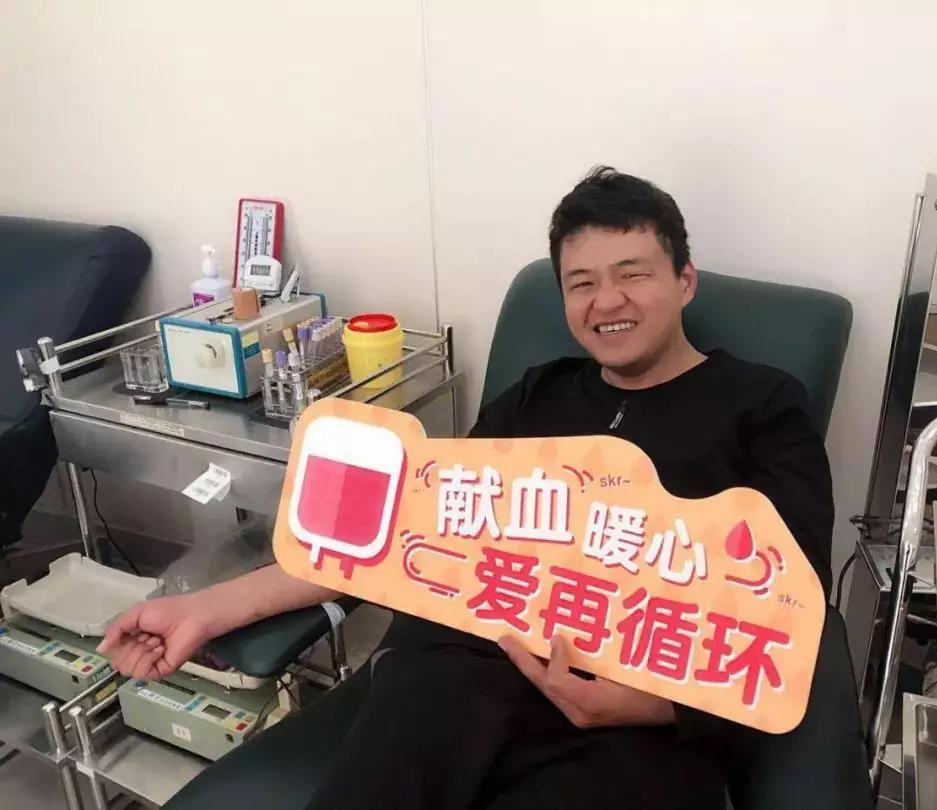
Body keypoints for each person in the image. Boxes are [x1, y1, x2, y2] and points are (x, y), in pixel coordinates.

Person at [100, 167, 872, 809]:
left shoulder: (761, 406)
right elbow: (395, 534)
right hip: (456, 675)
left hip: (634, 713)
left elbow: (787, 600)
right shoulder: (537, 396)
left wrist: (649, 706)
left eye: (633, 274)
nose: (607, 301)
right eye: (582, 282)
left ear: (684, 280)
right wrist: (203, 609)